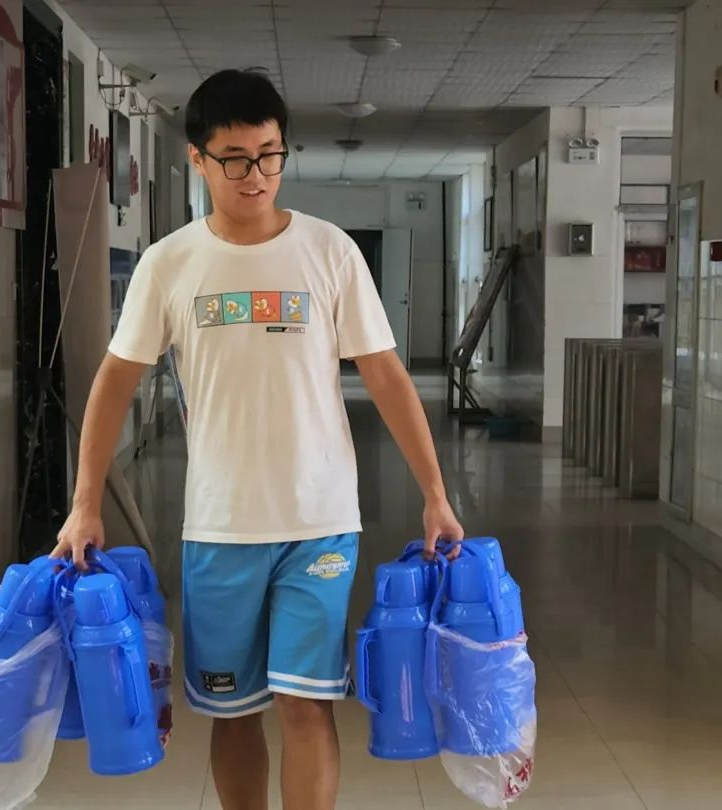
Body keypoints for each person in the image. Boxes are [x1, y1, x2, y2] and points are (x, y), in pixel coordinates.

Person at [52, 69, 464, 810]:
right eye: (236, 159)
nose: (256, 175)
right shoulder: (169, 264)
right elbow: (114, 382)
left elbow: (386, 375)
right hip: (221, 526)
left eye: (270, 155)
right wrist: (86, 503)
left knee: (306, 703)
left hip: (320, 519)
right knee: (235, 711)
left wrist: (435, 494)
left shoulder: (331, 252)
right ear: (198, 159)